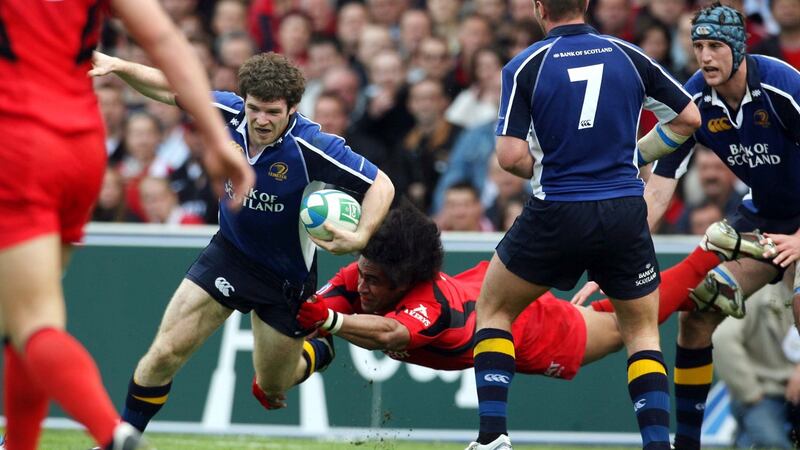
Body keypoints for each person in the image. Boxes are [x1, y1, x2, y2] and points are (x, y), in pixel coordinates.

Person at [90, 51, 394, 432]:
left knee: (273, 386)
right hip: (229, 256)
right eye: (254, 109)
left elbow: (382, 184)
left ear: (292, 108)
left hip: (284, 280)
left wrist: (362, 235)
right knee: (164, 353)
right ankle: (123, 439)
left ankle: (318, 350)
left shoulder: (312, 145)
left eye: (272, 111)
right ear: (244, 101)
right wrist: (120, 67)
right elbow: (170, 87)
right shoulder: (227, 112)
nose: (261, 120)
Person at [0, 0, 254, 448]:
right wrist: (216, 138)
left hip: (18, 142)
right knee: (27, 322)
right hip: (82, 145)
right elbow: (164, 39)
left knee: (32, 323)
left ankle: (113, 435)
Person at [466, 0, 702, 448]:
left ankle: (492, 437)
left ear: (539, 8)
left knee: (494, 310)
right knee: (641, 332)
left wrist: (549, 169)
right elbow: (689, 118)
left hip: (558, 209)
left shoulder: (526, 65)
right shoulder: (628, 54)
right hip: (623, 212)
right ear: (587, 4)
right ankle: (657, 443)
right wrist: (638, 155)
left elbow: (511, 156)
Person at [293, 202, 771, 401]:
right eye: (364, 278)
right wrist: (302, 351)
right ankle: (698, 286)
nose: (363, 290)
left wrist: (330, 322)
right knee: (611, 316)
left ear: (405, 282)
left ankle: (706, 253)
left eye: (374, 283)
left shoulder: (428, 303)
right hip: (489, 295)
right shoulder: (369, 273)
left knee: (624, 326)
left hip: (528, 329)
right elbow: (317, 313)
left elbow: (390, 333)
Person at [640, 3, 800, 449]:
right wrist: (626, 247)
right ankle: (687, 444)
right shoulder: (694, 101)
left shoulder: (783, 86)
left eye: (714, 46)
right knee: (699, 314)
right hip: (767, 216)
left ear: (738, 48)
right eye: (698, 47)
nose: (705, 57)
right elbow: (660, 186)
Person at [712, 280, 799, 449]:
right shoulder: (759, 289)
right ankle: (748, 436)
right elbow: (723, 338)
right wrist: (751, 392)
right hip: (765, 393)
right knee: (772, 445)